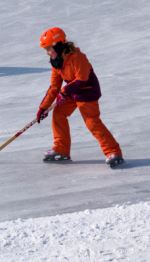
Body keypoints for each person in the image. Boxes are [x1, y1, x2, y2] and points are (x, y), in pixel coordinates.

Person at [35, 27, 124, 168]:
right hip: (72, 93)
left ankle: (113, 152)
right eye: (45, 49)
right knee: (58, 114)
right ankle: (62, 150)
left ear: (58, 45)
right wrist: (43, 107)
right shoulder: (56, 62)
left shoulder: (77, 57)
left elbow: (82, 80)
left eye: (49, 49)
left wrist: (64, 91)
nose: (47, 53)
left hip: (87, 93)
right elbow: (54, 87)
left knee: (92, 123)